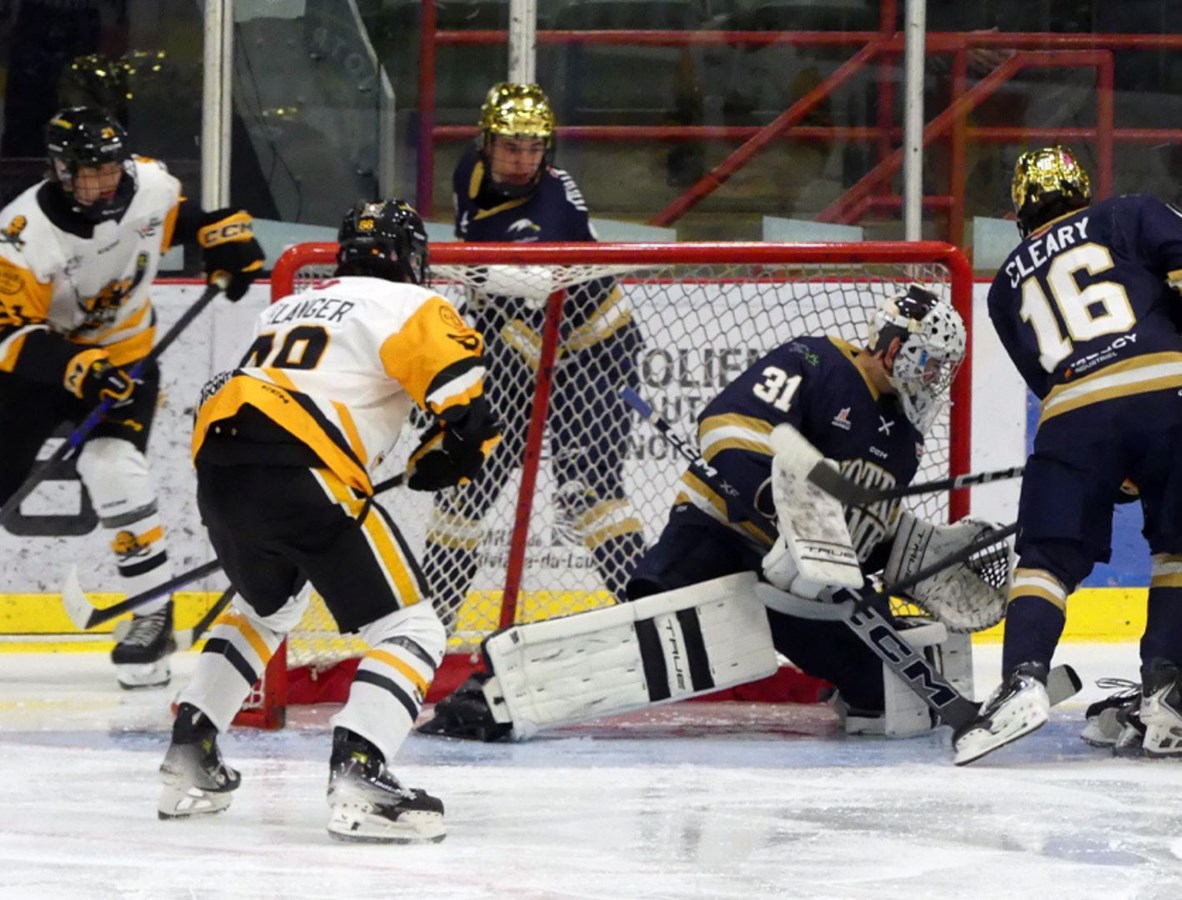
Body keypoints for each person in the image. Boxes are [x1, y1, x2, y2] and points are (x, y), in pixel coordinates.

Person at [422, 285, 982, 741]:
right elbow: (728, 424)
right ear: (893, 348)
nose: (935, 378)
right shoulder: (815, 361)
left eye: (943, 369)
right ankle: (493, 692)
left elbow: (862, 528)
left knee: (887, 695)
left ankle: (848, 685)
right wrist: (777, 501)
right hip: (720, 532)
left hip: (800, 582)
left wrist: (905, 553)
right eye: (929, 363)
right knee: (646, 640)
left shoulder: (906, 437)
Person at [156, 199, 500, 842]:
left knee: (266, 609)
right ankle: (361, 771)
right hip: (303, 462)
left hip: (221, 462)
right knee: (412, 624)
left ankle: (189, 756)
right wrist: (449, 455)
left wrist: (439, 451)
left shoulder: (289, 306)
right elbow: (468, 414)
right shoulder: (413, 303)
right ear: (411, 258)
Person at [955, 146, 1182, 765]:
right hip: (1173, 393)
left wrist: (1106, 448)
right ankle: (1166, 691)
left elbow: (1045, 380)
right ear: (1080, 190)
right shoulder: (1127, 211)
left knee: (1046, 560)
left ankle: (1022, 678)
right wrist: (1170, 319)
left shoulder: (1004, 285)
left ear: (1022, 212)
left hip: (1077, 410)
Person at [0, 105, 264, 688]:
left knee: (111, 465)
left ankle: (152, 614)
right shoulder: (21, 234)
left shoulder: (148, 185)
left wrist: (223, 238)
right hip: (36, 371)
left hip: (126, 359)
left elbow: (186, 219)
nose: (104, 182)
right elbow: (8, 334)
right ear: (60, 172)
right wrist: (76, 367)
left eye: (110, 169)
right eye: (89, 173)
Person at [420, 81, 645, 617]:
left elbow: (527, 320)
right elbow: (498, 308)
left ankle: (649, 612)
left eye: (534, 148)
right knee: (464, 486)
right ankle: (431, 626)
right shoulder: (469, 173)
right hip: (518, 339)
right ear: (486, 143)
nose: (523, 161)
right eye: (511, 147)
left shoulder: (547, 216)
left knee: (588, 493)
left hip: (593, 353)